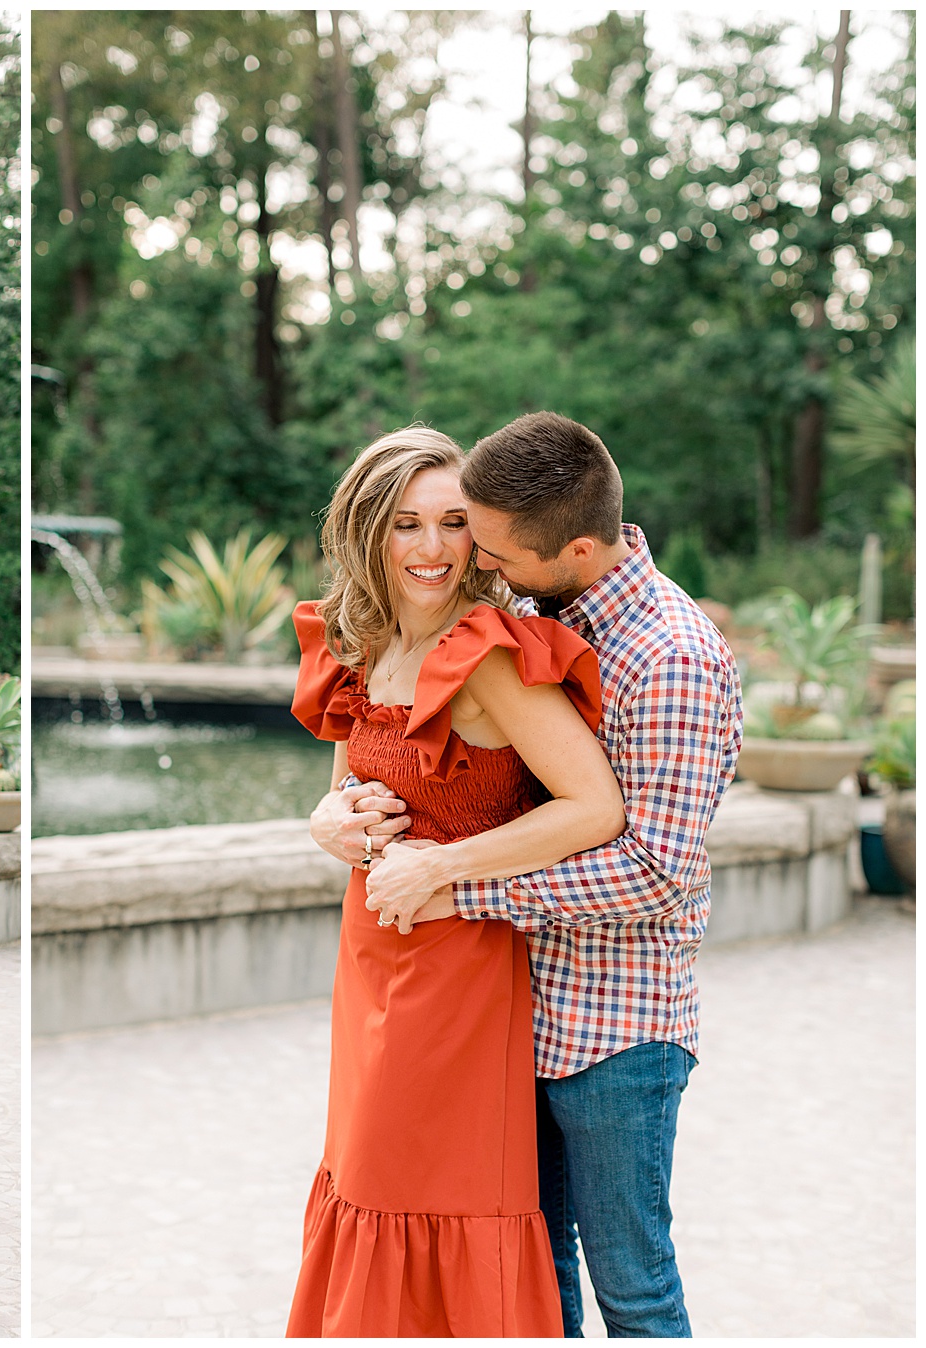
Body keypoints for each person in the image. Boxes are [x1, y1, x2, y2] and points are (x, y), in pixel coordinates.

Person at [346, 412, 744, 1337]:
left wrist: (458, 887)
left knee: (635, 1291)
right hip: (508, 1012)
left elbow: (655, 872)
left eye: (494, 552)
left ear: (572, 546)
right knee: (536, 1284)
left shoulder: (671, 656)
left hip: (615, 1031)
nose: (478, 566)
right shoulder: (537, 612)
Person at [282, 426, 627, 1337]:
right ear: (367, 534)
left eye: (453, 524)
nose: (432, 549)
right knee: (361, 1181)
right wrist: (328, 826)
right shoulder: (364, 646)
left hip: (458, 977)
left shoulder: (492, 656)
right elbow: (351, 799)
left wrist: (445, 864)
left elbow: (596, 807)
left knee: (419, 1195)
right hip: (367, 961)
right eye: (405, 525)